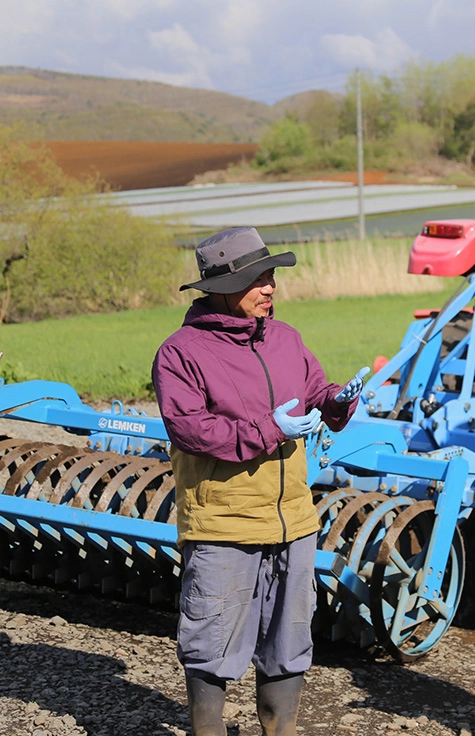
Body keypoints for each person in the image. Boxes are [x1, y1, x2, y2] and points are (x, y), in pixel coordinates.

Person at [152, 227, 369, 736]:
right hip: (223, 522)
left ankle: (281, 731)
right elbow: (191, 429)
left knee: (288, 642)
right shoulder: (181, 352)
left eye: (271, 274)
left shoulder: (286, 338)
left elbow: (316, 390)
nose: (269, 286)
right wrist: (272, 429)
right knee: (211, 644)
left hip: (293, 518)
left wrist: (338, 401)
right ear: (219, 288)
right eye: (256, 278)